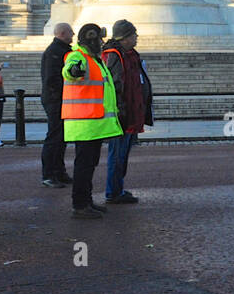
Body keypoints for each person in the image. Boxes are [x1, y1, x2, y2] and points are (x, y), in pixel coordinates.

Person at [62, 23, 124, 219]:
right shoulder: (78, 56)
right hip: (84, 123)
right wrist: (74, 71)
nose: (101, 42)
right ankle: (79, 205)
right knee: (83, 166)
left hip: (93, 122)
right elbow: (69, 70)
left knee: (89, 165)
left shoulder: (94, 59)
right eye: (99, 39)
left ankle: (86, 201)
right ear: (91, 39)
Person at [101, 20, 154, 204]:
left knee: (122, 156)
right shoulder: (116, 56)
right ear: (125, 37)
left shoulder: (131, 54)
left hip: (132, 113)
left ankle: (118, 189)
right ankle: (113, 192)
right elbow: (116, 86)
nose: (136, 37)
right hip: (122, 115)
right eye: (133, 34)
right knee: (117, 155)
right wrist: (121, 111)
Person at [40, 23, 74, 187]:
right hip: (56, 100)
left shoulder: (62, 50)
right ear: (62, 33)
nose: (73, 34)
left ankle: (59, 171)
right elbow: (52, 79)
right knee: (54, 137)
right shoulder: (54, 51)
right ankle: (48, 174)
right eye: (70, 32)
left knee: (61, 137)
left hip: (61, 99)